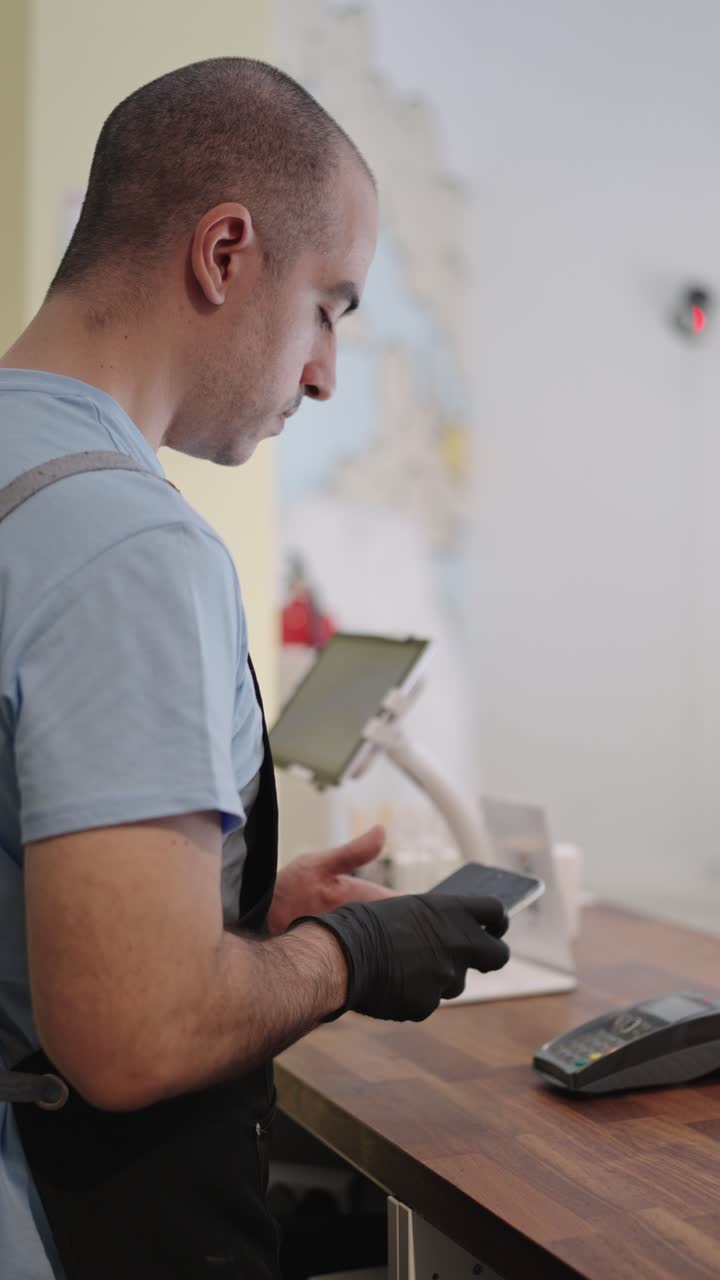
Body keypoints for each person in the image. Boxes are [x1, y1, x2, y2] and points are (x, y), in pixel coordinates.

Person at [0, 58, 510, 1280]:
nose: (330, 371)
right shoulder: (127, 542)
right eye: (331, 303)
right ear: (225, 253)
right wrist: (355, 956)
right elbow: (130, 1029)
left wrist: (235, 922)